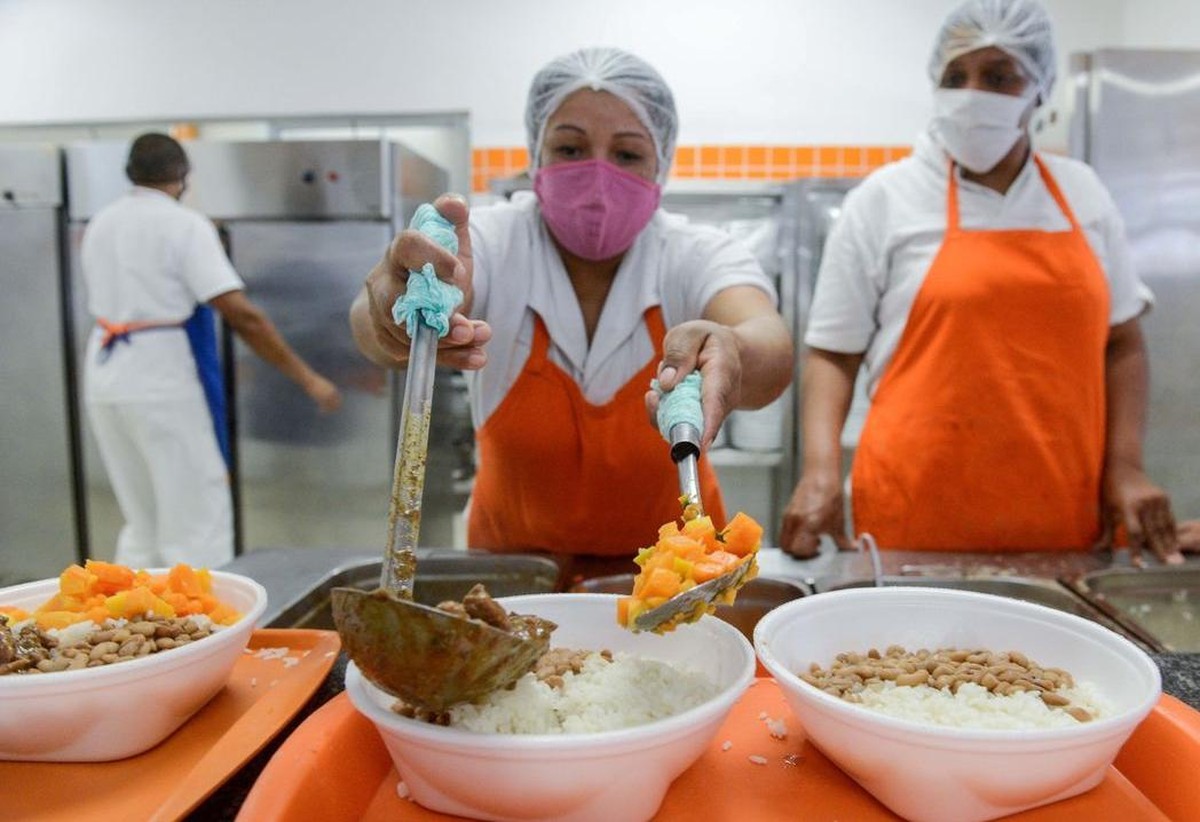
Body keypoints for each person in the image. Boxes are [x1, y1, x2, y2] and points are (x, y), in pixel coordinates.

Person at [350, 48, 793, 584]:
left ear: (662, 165)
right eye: (570, 147)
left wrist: (733, 349)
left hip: (679, 579)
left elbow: (768, 339)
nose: (599, 176)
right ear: (536, 155)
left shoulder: (694, 253)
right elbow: (380, 315)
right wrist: (394, 310)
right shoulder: (495, 240)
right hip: (513, 576)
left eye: (627, 154)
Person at [779, 0, 1184, 566]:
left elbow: (1123, 342)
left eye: (998, 76)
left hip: (1060, 515)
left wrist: (1126, 465)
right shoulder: (886, 197)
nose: (972, 93)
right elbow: (831, 352)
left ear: (1039, 89)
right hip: (913, 514)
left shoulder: (1082, 193)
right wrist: (820, 473)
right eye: (955, 76)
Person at [82, 133, 342, 569]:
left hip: (105, 375)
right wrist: (309, 378)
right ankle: (204, 629)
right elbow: (243, 316)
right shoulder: (183, 225)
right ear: (182, 177)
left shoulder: (101, 222)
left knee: (141, 522)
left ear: (131, 174)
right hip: (159, 378)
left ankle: (135, 623)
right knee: (196, 522)